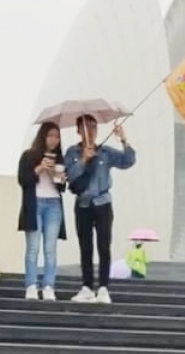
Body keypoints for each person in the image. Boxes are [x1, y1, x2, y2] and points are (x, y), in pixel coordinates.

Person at [64, 115, 135, 304]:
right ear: (79, 130)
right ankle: (87, 287)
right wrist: (83, 160)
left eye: (94, 127)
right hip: (83, 204)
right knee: (85, 246)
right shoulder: (72, 152)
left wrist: (123, 139)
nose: (91, 131)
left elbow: (128, 161)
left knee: (104, 245)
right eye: (86, 127)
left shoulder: (104, 152)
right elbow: (69, 176)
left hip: (103, 203)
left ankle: (103, 287)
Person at [16, 123, 68, 301]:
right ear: (43, 137)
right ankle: (31, 285)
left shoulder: (60, 159)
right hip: (34, 204)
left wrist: (56, 174)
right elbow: (23, 180)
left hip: (53, 204)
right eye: (50, 136)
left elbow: (62, 187)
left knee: (50, 248)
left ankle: (48, 286)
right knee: (33, 247)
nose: (54, 140)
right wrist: (39, 168)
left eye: (57, 137)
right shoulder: (29, 156)